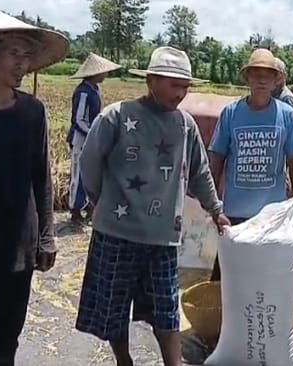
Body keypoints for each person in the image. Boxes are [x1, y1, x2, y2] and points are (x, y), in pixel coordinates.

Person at [75, 46, 230, 366]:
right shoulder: (118, 116)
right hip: (117, 232)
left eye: (185, 87)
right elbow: (89, 161)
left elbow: (199, 171)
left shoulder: (184, 125)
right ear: (152, 81)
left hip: (163, 236)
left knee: (166, 309)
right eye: (175, 85)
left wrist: (216, 210)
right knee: (113, 308)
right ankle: (123, 359)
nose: (181, 93)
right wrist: (100, 201)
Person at [0, 10, 66, 365]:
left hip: (18, 252)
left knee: (2, 346)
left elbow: (41, 176)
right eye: (13, 54)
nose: (22, 64)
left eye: (27, 55)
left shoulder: (32, 113)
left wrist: (47, 235)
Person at [208, 48, 293, 281]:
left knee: (265, 279)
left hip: (271, 215)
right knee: (226, 279)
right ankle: (223, 317)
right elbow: (217, 156)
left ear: (276, 80)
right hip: (235, 214)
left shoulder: (287, 115)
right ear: (248, 78)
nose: (262, 79)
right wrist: (213, 201)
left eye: (268, 74)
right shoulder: (231, 113)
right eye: (256, 74)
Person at [67, 52, 122, 223]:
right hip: (81, 139)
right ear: (95, 73)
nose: (106, 75)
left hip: (93, 137)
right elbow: (79, 119)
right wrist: (94, 132)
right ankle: (75, 210)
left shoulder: (95, 90)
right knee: (79, 174)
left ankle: (89, 208)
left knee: (94, 173)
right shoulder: (83, 92)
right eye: (103, 72)